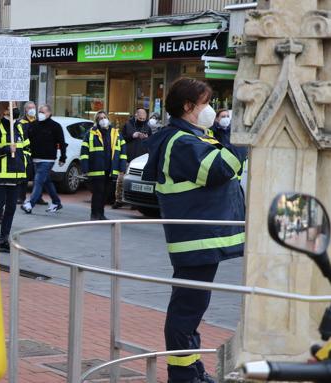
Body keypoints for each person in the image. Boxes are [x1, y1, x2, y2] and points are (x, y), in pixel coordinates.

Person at [142, 78, 247, 383]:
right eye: (205, 103)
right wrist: (239, 138)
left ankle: (191, 370)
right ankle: (182, 374)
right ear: (188, 107)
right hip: (196, 240)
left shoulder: (190, 137)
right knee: (187, 311)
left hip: (200, 240)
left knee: (192, 310)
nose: (210, 110)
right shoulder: (180, 141)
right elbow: (220, 169)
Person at [0, 101, 27, 253]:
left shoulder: (18, 127)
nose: (15, 108)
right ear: (4, 109)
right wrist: (6, 149)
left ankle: (3, 240)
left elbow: (25, 149)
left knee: (11, 210)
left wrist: (25, 167)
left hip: (16, 176)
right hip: (0, 177)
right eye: (12, 105)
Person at [80, 111, 127, 220]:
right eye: (100, 118)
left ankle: (101, 214)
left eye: (104, 117)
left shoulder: (116, 133)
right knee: (98, 192)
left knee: (106, 193)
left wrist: (122, 168)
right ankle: (94, 214)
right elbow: (84, 151)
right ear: (97, 121)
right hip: (96, 168)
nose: (103, 119)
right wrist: (85, 168)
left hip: (110, 169)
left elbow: (123, 152)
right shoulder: (91, 133)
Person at [21, 104, 65, 214]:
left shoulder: (55, 126)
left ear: (49, 113)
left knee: (38, 180)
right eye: (39, 111)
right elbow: (27, 139)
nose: (40, 113)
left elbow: (62, 143)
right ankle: (56, 202)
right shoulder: (34, 125)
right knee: (46, 181)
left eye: (43, 112)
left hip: (48, 159)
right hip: (35, 158)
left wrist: (63, 157)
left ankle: (30, 204)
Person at [113, 108, 152, 209]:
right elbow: (121, 139)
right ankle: (118, 200)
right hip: (127, 157)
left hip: (139, 159)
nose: (142, 120)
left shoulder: (147, 127)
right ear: (136, 115)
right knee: (121, 180)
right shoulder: (127, 125)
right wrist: (132, 136)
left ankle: (134, 202)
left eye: (144, 118)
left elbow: (151, 142)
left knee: (136, 182)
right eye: (140, 118)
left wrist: (146, 138)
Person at [15, 101, 37, 204]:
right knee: (24, 176)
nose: (32, 110)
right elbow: (24, 138)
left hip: (37, 153)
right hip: (26, 153)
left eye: (34, 107)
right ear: (26, 110)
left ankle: (38, 197)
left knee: (38, 177)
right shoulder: (21, 122)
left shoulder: (37, 121)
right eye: (30, 108)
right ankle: (21, 197)